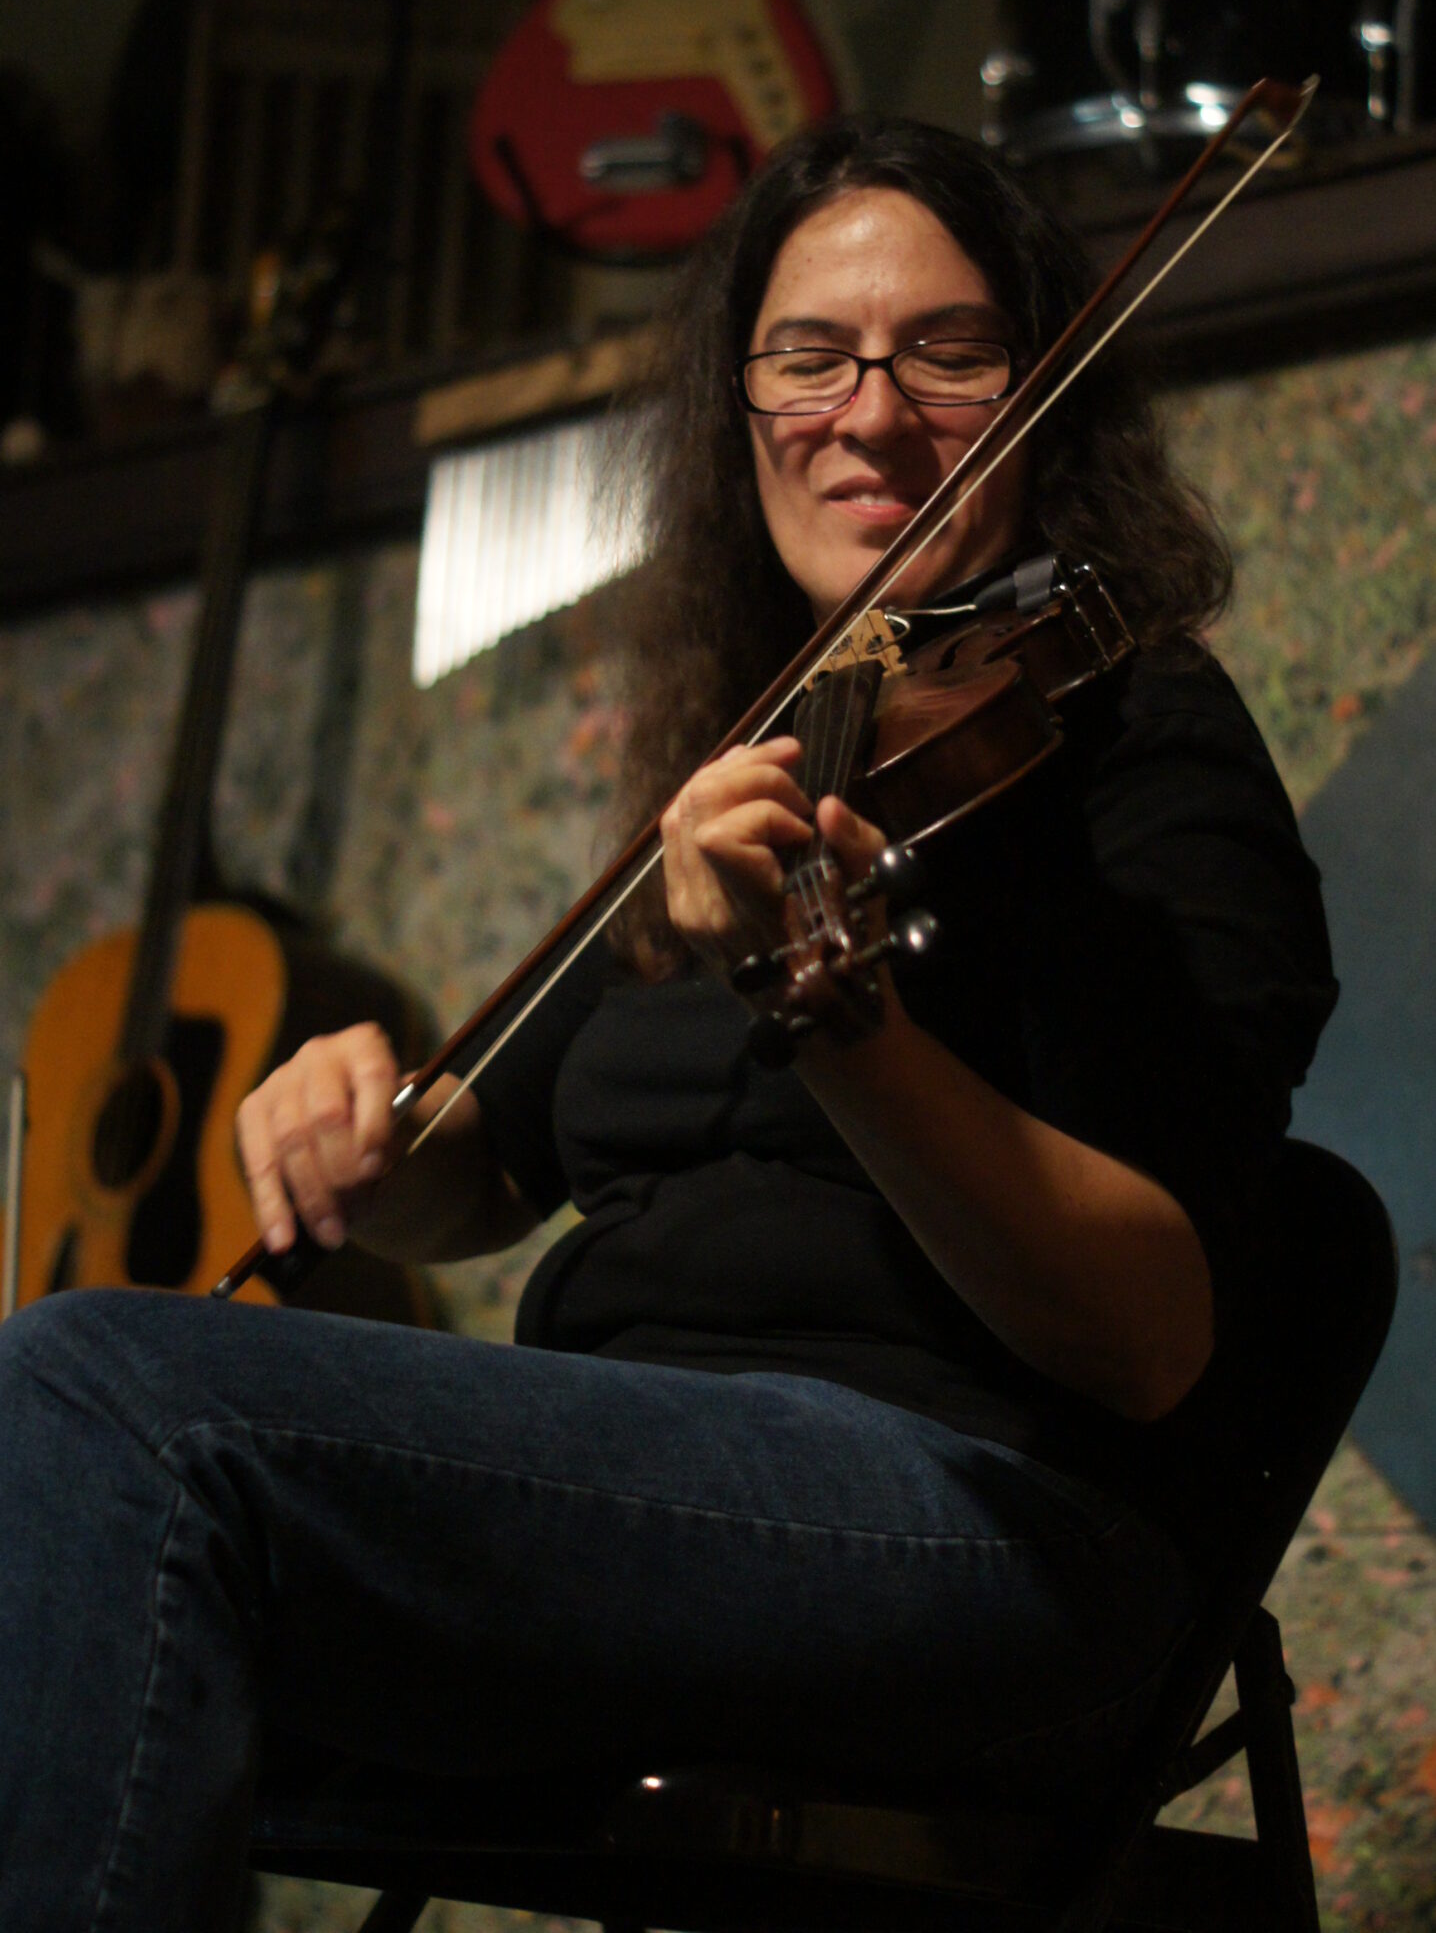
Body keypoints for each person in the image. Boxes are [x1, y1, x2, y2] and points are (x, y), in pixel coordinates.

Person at [0, 118, 1336, 1932]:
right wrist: (357, 1139)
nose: (871, 414)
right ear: (740, 408)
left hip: (968, 1515)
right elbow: (482, 1173)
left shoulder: (1129, 745)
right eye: (808, 356)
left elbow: (1150, 1333)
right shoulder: (752, 763)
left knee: (106, 1395)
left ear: (1041, 388)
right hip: (641, 1479)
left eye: (947, 348)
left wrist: (832, 1008)